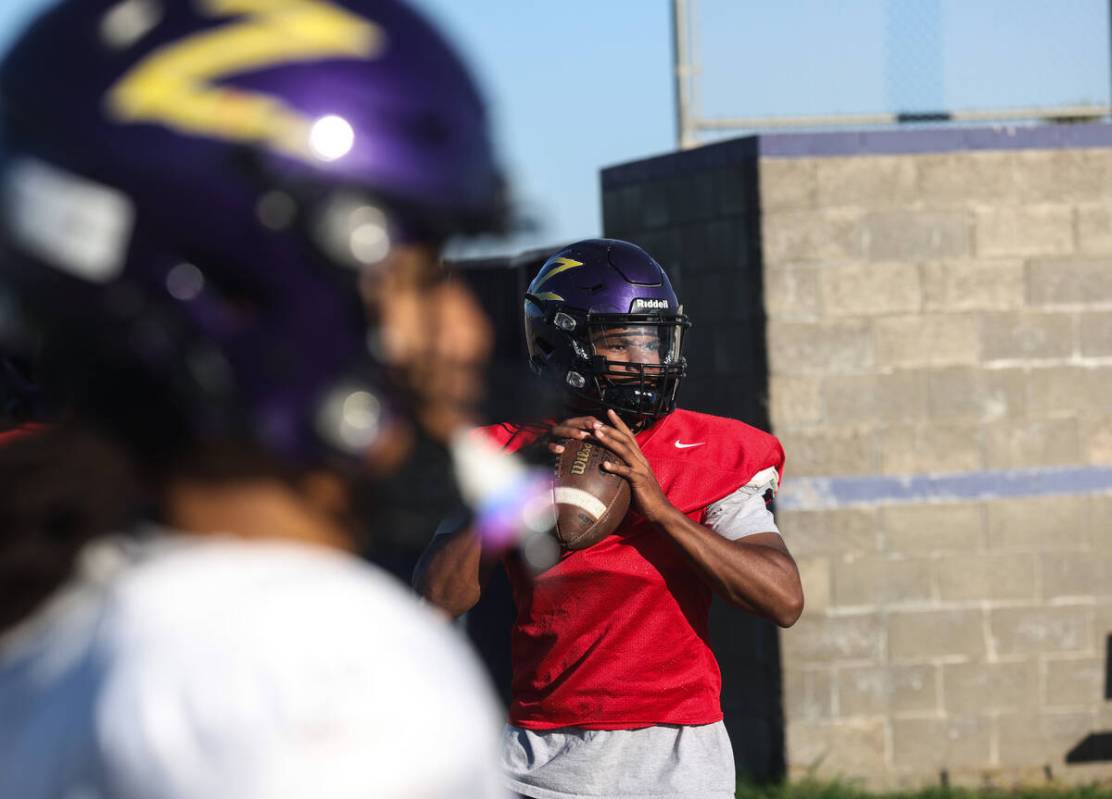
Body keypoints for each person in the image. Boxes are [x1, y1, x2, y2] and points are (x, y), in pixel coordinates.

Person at [0, 1, 516, 796]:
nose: (466, 332)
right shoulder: (314, 674)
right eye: (418, 280)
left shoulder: (58, 614)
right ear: (237, 293)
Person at [415, 238, 805, 799]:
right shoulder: (502, 451)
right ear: (560, 343)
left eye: (656, 338)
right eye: (623, 340)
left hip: (675, 755)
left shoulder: (715, 451)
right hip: (540, 757)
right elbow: (437, 597)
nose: (648, 358)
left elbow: (783, 598)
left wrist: (664, 513)